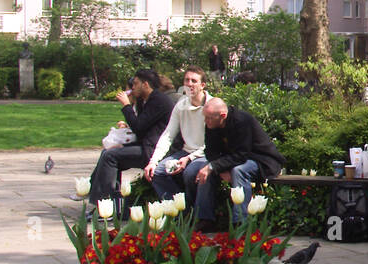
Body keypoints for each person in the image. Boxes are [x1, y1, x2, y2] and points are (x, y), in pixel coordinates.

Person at [89, 69, 175, 211]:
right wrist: (122, 144)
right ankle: (106, 204)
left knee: (110, 157)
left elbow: (139, 127)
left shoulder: (159, 101)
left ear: (145, 85)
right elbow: (139, 127)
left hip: (154, 151)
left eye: (135, 84)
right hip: (144, 144)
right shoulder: (144, 100)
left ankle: (105, 205)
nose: (132, 87)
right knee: (108, 152)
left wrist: (126, 106)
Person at [195, 96, 286, 229]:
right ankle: (204, 219)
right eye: (205, 117)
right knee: (203, 172)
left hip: (260, 160)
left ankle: (241, 223)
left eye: (209, 118)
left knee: (239, 171)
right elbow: (210, 152)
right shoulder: (211, 124)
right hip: (234, 161)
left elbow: (241, 155)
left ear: (223, 115)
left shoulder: (242, 121)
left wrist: (214, 166)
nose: (206, 121)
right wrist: (219, 169)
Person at [145, 67, 210, 203]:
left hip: (206, 153)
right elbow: (168, 135)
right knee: (157, 172)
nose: (190, 84)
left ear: (202, 85)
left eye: (194, 81)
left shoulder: (212, 105)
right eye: (187, 80)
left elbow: (212, 143)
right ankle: (180, 208)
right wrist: (153, 162)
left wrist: (189, 158)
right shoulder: (181, 105)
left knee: (190, 173)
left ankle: (194, 213)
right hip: (185, 152)